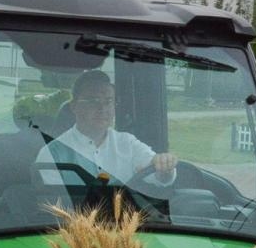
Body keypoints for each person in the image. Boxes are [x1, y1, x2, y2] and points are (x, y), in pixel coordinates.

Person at [37, 70, 177, 189]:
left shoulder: (127, 143)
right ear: (74, 106)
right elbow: (54, 207)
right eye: (93, 101)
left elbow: (160, 178)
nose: (102, 108)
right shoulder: (51, 153)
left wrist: (165, 166)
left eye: (108, 101)